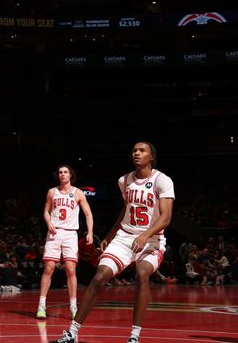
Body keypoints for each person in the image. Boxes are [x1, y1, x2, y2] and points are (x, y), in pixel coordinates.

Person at [52, 142, 174, 343]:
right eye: (134, 150)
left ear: (151, 157)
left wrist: (145, 235)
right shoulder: (124, 180)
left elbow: (166, 217)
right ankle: (72, 332)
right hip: (125, 236)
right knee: (100, 276)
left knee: (142, 273)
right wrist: (109, 236)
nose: (136, 153)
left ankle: (134, 336)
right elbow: (126, 210)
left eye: (142, 150)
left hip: (152, 239)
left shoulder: (162, 180)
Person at [37, 165, 94, 320]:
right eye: (60, 172)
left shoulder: (78, 193)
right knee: (49, 267)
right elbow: (46, 212)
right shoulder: (52, 192)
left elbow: (88, 214)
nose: (62, 174)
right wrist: (49, 222)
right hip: (54, 232)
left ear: (70, 175)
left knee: (70, 269)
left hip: (70, 234)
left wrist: (90, 232)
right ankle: (41, 305)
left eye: (65, 172)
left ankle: (73, 306)